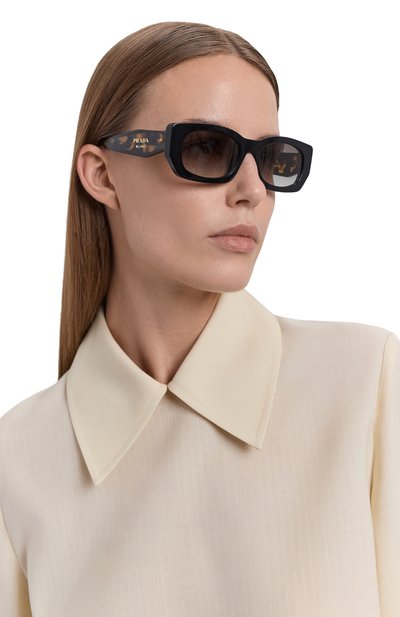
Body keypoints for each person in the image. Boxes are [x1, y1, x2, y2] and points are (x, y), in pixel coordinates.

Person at [0, 21, 398, 617]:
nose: (252, 190)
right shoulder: (19, 459)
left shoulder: (366, 383)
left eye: (272, 159)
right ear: (103, 175)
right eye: (207, 149)